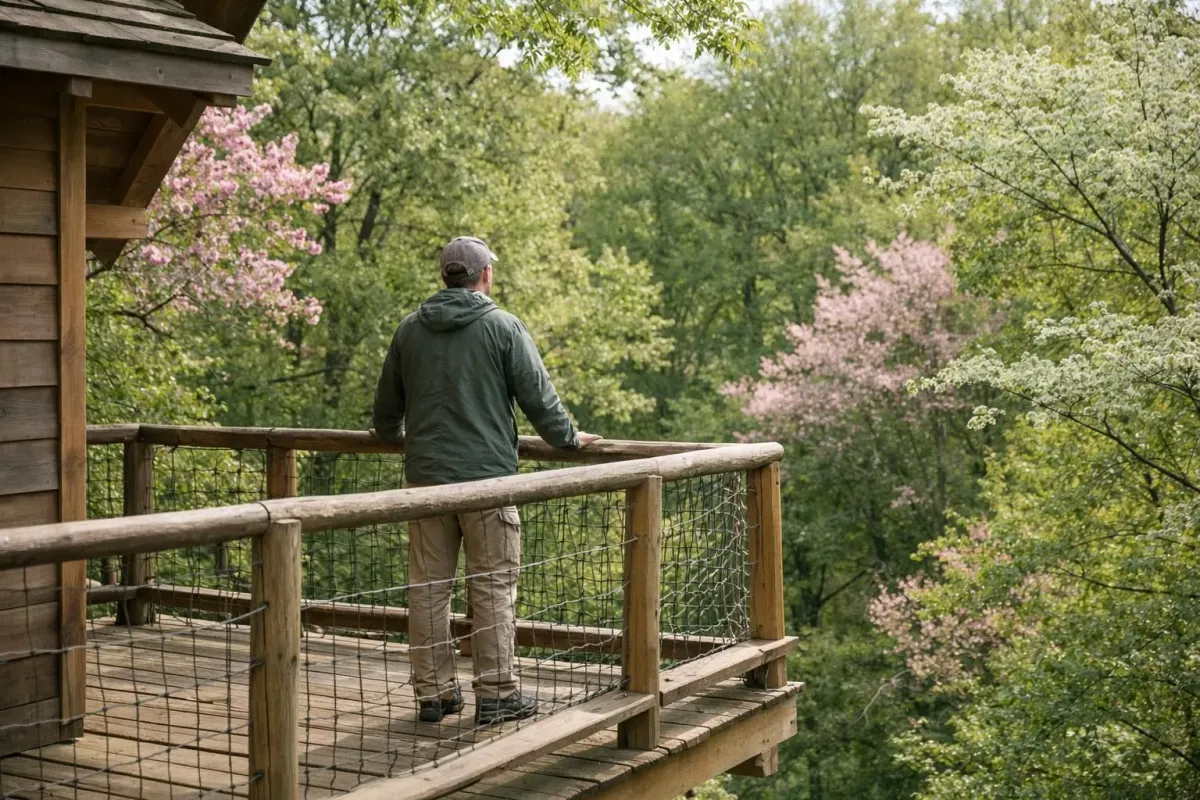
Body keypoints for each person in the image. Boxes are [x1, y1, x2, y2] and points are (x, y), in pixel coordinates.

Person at [372, 235, 601, 725]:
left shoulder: (409, 330)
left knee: (428, 588)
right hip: (489, 483)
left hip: (425, 482)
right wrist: (568, 439)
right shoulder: (503, 326)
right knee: (493, 588)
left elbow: (386, 411)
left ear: (444, 277)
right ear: (485, 276)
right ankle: (496, 694)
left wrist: (393, 437)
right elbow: (539, 399)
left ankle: (434, 695)